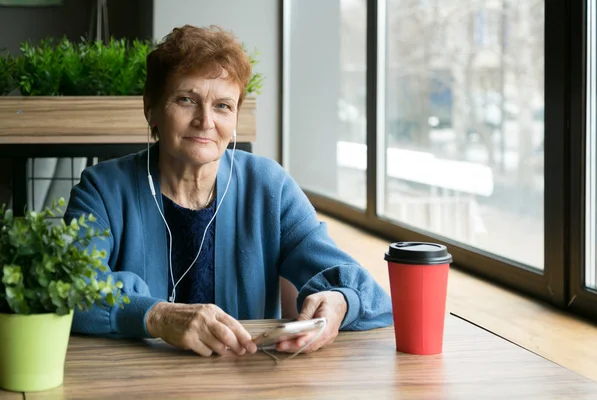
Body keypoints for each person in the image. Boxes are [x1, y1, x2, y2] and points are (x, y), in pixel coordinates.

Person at [65, 24, 392, 357]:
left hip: (246, 379)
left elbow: (370, 296)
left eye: (223, 105)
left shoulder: (269, 186)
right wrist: (157, 315)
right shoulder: (101, 189)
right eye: (186, 99)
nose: (205, 121)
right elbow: (64, 289)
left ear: (235, 117)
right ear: (151, 108)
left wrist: (340, 301)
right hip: (130, 382)